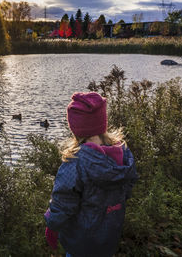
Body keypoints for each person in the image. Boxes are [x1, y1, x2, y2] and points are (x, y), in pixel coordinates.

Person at [44, 92, 139, 257]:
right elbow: (127, 188)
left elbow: (63, 204)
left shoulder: (75, 163)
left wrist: (51, 225)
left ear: (75, 128)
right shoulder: (123, 153)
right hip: (109, 237)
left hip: (80, 244)